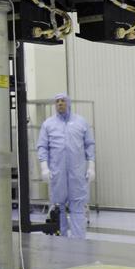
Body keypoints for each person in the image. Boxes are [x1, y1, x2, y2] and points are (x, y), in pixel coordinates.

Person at [36, 93, 95, 239]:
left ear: (68, 103)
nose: (60, 104)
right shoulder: (48, 124)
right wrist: (44, 167)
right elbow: (42, 147)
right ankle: (60, 240)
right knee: (58, 207)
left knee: (78, 207)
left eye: (63, 101)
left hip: (77, 172)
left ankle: (78, 241)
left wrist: (91, 166)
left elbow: (89, 145)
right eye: (57, 101)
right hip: (58, 173)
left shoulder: (81, 122)